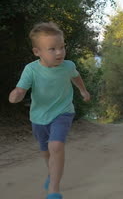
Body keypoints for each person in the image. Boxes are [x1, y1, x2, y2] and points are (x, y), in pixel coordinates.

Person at [8, 22, 91, 199]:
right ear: (38, 52)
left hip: (63, 112)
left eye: (62, 47)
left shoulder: (68, 66)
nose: (59, 52)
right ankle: (51, 173)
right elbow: (21, 89)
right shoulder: (31, 70)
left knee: (56, 145)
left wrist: (83, 90)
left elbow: (76, 77)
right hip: (38, 117)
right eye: (52, 49)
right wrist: (16, 94)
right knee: (46, 152)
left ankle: (54, 189)